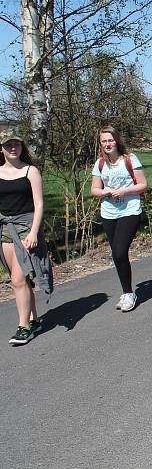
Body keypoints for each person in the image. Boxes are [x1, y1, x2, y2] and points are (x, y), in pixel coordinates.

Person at [0, 131, 52, 345]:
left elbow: (39, 204)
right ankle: (34, 319)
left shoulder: (31, 171)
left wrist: (33, 232)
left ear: (22, 147)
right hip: (5, 229)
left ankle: (23, 328)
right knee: (19, 278)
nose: (13, 148)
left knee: (18, 280)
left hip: (26, 228)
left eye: (17, 145)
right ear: (1, 148)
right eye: (8, 145)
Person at [91, 126, 148, 312]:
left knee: (119, 252)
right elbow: (94, 189)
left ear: (117, 140)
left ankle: (129, 294)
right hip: (108, 212)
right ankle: (126, 292)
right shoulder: (100, 163)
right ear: (100, 144)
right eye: (104, 141)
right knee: (117, 254)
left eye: (110, 140)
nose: (107, 144)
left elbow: (142, 185)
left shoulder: (130, 159)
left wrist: (124, 191)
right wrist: (105, 192)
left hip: (130, 210)